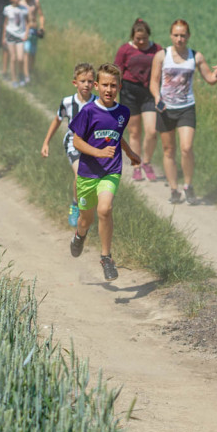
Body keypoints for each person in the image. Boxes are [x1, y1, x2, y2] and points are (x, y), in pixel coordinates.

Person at [67, 63, 141, 282]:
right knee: (85, 220)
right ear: (97, 86)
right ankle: (80, 236)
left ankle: (106, 257)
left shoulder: (123, 112)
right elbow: (77, 141)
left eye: (114, 85)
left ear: (119, 86)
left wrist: (129, 153)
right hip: (87, 173)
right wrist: (98, 152)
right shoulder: (89, 111)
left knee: (105, 209)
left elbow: (117, 136)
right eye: (105, 85)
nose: (109, 90)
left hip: (111, 171)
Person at [149, 19, 217, 205]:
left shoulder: (195, 56)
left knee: (186, 147)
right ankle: (174, 188)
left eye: (183, 35)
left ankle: (188, 185)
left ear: (188, 36)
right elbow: (153, 81)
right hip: (166, 108)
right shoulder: (162, 55)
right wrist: (156, 97)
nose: (179, 39)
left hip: (186, 108)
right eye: (176, 35)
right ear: (171, 35)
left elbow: (209, 78)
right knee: (169, 150)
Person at [41, 63, 97, 228]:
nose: (86, 84)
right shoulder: (67, 102)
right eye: (82, 81)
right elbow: (57, 121)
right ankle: (75, 206)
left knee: (91, 181)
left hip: (93, 146)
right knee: (80, 174)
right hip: (73, 144)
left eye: (89, 81)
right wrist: (46, 142)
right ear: (75, 83)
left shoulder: (99, 103)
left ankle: (87, 210)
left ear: (95, 84)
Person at [114, 18, 161, 182]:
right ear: (132, 37)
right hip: (129, 92)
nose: (141, 42)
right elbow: (117, 71)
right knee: (134, 132)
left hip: (149, 92)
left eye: (144, 39)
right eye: (137, 39)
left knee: (152, 131)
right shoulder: (125, 50)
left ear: (149, 36)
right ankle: (136, 165)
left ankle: (147, 162)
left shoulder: (157, 50)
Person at [2, 0, 29, 86]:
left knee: (20, 58)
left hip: (20, 35)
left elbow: (27, 23)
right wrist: (3, 37)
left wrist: (26, 34)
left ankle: (21, 74)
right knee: (13, 58)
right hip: (10, 34)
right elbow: (5, 23)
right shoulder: (7, 9)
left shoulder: (23, 9)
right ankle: (14, 79)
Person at [21, 0, 45, 79]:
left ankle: (30, 71)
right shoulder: (21, 3)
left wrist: (42, 27)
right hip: (26, 30)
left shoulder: (35, 2)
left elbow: (41, 15)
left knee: (33, 53)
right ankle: (26, 75)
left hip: (34, 29)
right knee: (26, 52)